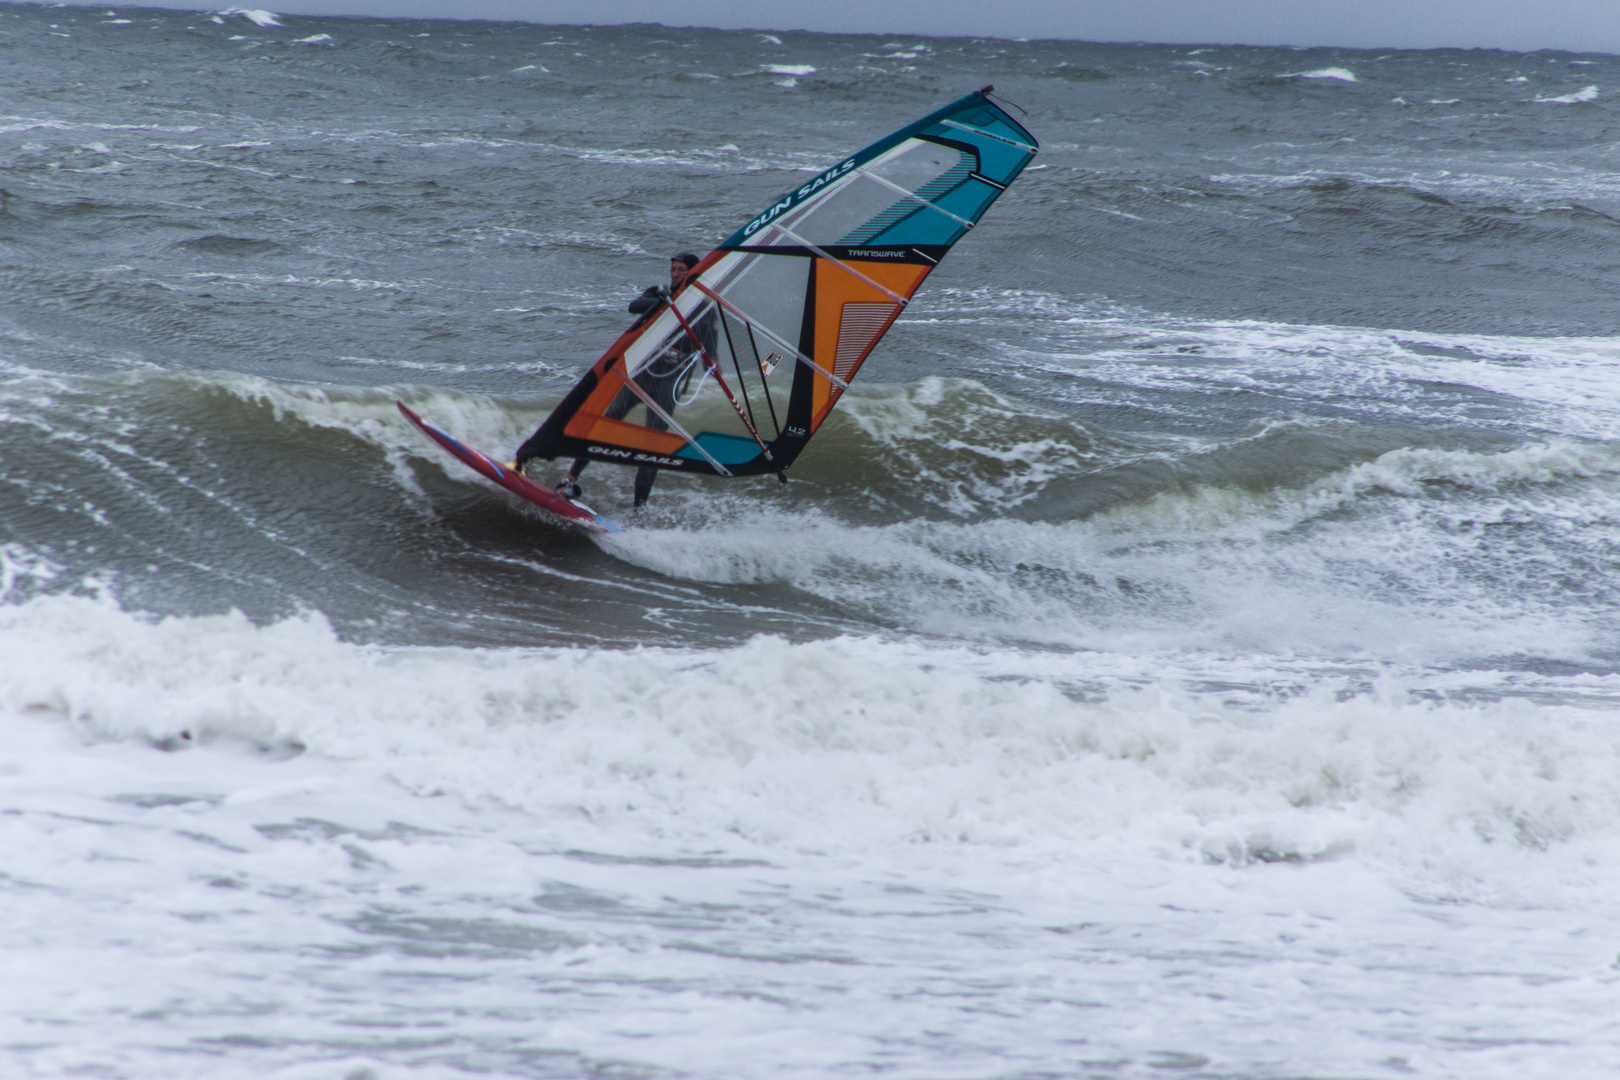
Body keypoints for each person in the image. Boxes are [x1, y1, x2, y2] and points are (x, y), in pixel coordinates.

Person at [553, 252, 715, 508]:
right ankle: (570, 479)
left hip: (667, 384)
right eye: (673, 269)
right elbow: (634, 306)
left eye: (681, 270)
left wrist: (711, 363)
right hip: (641, 376)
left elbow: (710, 352)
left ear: (693, 273)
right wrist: (664, 299)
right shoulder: (658, 293)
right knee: (608, 421)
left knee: (652, 448)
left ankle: (639, 511)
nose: (675, 274)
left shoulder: (703, 309)